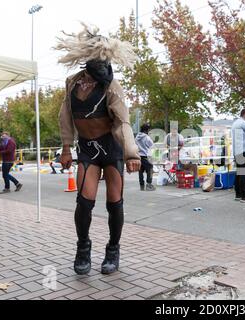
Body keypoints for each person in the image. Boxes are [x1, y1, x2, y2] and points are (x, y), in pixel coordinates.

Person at [56, 23, 141, 275]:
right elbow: (65, 116)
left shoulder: (111, 86)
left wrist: (131, 153)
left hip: (111, 148)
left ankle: (113, 250)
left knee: (115, 203)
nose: (102, 65)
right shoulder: (72, 83)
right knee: (84, 202)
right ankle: (83, 249)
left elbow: (123, 121)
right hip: (87, 149)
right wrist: (66, 148)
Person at [135, 123, 156, 191]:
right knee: (150, 170)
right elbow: (152, 146)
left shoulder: (137, 137)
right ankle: (149, 185)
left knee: (140, 171)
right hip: (146, 156)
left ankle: (141, 185)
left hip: (138, 156)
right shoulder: (147, 137)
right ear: (147, 130)